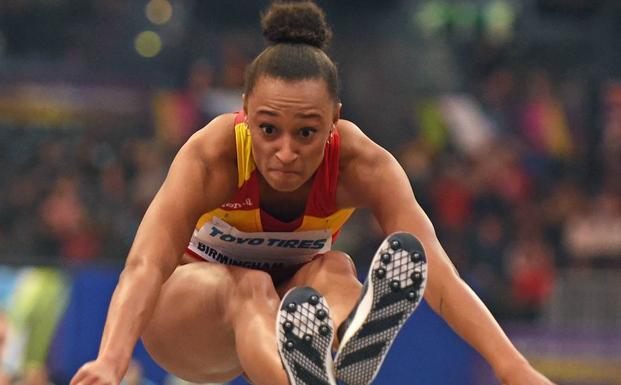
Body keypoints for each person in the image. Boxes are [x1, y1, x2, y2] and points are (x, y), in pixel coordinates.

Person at [70, 2, 556, 385]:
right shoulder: (214, 155)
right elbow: (145, 264)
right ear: (244, 113)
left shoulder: (361, 163)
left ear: (333, 120)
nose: (285, 152)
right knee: (250, 285)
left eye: (306, 133)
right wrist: (111, 361)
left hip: (281, 323)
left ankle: (339, 352)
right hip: (189, 324)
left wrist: (512, 368)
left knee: (336, 268)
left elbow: (437, 275)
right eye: (268, 130)